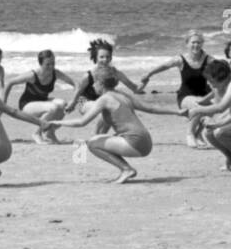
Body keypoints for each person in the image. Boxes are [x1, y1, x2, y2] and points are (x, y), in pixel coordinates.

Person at [43, 68, 183, 183]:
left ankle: (126, 169)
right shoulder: (122, 95)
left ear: (101, 84)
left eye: (95, 83)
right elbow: (151, 108)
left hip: (135, 142)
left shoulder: (104, 99)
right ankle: (125, 169)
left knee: (91, 143)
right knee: (99, 137)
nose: (92, 86)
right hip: (147, 141)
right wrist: (177, 112)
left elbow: (81, 122)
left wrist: (56, 122)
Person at [138, 30, 214, 148]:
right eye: (193, 42)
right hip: (186, 96)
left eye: (199, 42)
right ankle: (190, 134)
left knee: (217, 107)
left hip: (204, 95)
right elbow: (164, 66)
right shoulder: (180, 59)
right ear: (187, 44)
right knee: (199, 106)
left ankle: (198, 134)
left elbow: (222, 70)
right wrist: (149, 74)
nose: (196, 45)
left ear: (202, 44)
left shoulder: (209, 59)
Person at [3, 50, 77, 144]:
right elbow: (10, 83)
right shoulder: (32, 75)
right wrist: (3, 103)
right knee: (53, 108)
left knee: (63, 104)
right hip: (27, 105)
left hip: (42, 101)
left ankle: (50, 132)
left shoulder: (55, 73)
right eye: (47, 64)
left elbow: (75, 84)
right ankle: (36, 133)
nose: (51, 67)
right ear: (40, 64)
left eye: (53, 63)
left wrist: (74, 100)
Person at [73, 39, 144, 135]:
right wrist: (71, 104)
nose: (105, 60)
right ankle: (95, 135)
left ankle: (102, 135)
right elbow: (78, 90)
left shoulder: (115, 73)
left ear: (111, 58)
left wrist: (145, 81)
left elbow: (134, 88)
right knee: (106, 108)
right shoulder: (89, 75)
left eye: (107, 57)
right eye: (101, 57)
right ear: (96, 58)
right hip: (85, 102)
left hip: (103, 101)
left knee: (112, 108)